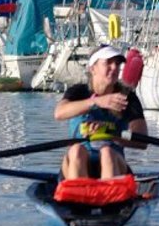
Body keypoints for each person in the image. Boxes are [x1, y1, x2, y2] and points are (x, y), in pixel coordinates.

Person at [54, 45, 147, 180]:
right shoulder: (79, 92)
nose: (114, 67)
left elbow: (142, 140)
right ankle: (77, 193)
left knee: (107, 152)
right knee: (77, 150)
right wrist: (96, 102)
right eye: (108, 63)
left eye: (117, 63)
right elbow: (59, 113)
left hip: (113, 162)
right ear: (93, 68)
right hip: (77, 162)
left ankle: (110, 194)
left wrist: (111, 134)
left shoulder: (127, 97)